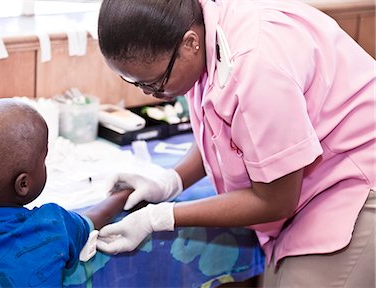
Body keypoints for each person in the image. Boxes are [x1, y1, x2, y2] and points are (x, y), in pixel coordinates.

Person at [95, 0, 376, 287]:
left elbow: (275, 201)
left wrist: (160, 217)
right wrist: (172, 180)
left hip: (356, 178)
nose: (150, 94)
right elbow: (224, 132)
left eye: (155, 83)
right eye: (136, 84)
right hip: (304, 185)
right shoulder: (204, 32)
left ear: (189, 43)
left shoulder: (255, 64)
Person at [0, 98, 132, 287]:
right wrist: (122, 194)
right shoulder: (53, 224)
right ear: (23, 184)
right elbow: (94, 218)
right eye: (43, 160)